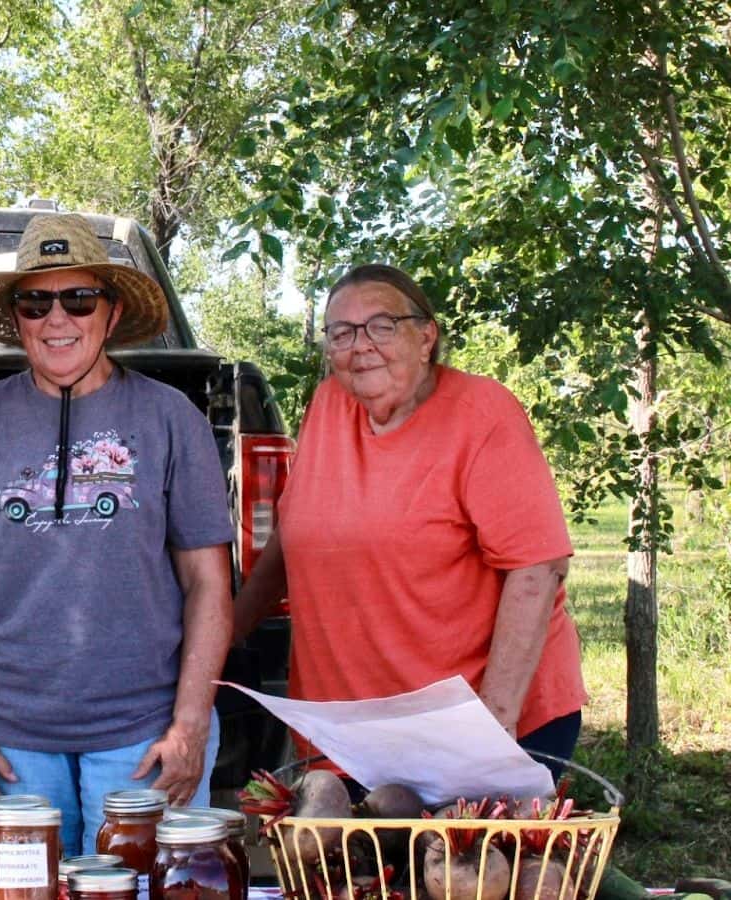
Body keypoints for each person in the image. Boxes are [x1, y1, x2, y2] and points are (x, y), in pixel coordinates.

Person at [0, 214, 235, 859]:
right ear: (17, 317)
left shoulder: (171, 418)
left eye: (78, 299)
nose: (57, 319)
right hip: (2, 741)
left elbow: (208, 583)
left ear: (111, 314)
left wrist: (191, 724)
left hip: (143, 740)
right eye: (36, 302)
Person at [233, 264, 585, 771]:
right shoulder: (330, 404)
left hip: (473, 725)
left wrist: (493, 732)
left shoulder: (483, 414)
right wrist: (227, 632)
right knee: (338, 851)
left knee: (458, 855)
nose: (361, 345)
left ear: (426, 337)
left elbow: (536, 568)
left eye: (382, 325)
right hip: (350, 730)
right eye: (342, 332)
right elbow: (294, 539)